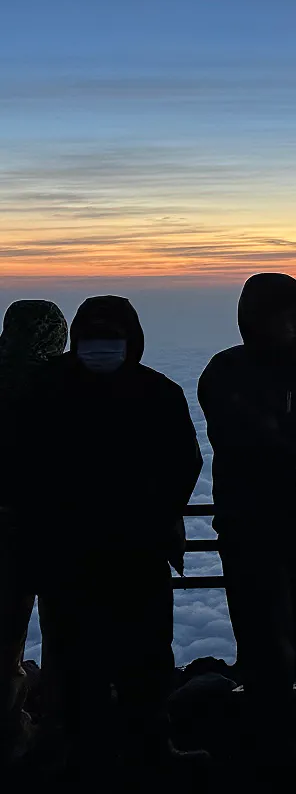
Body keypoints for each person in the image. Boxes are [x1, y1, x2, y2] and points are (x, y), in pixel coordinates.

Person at [17, 296, 205, 780]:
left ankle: (122, 752)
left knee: (132, 658)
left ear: (131, 342)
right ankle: (117, 754)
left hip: (103, 553)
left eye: (110, 339)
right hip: (99, 553)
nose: (101, 349)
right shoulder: (150, 391)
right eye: (93, 339)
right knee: (95, 658)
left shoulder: (51, 387)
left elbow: (185, 463)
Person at [198, 274, 296, 773]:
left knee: (291, 633)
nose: (287, 326)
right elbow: (240, 434)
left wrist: (284, 427)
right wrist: (292, 430)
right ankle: (275, 750)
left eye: (295, 316)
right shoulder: (227, 369)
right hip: (248, 528)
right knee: (265, 638)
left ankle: (277, 737)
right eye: (275, 316)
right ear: (251, 320)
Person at [0, 300, 67, 763]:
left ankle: (9, 735)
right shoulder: (64, 386)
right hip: (62, 532)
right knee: (71, 632)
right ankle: (62, 734)